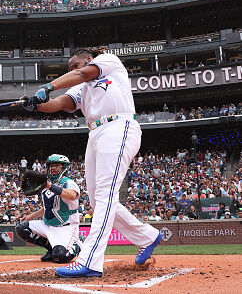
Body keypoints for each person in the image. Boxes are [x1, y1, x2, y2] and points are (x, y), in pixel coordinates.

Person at [22, 48, 161, 277]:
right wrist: (35, 104)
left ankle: (90, 261)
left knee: (106, 195)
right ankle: (147, 236)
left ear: (88, 59)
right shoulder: (81, 87)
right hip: (95, 133)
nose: (73, 70)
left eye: (75, 65)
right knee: (99, 202)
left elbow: (83, 74)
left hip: (118, 126)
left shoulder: (108, 62)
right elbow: (60, 103)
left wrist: (47, 87)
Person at [16, 154, 83, 263]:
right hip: (48, 224)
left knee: (60, 257)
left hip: (66, 226)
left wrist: (49, 186)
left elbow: (72, 195)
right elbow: (48, 208)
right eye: (51, 166)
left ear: (64, 168)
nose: (53, 168)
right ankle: (52, 249)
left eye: (57, 165)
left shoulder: (68, 183)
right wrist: (30, 217)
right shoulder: (46, 184)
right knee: (22, 228)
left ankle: (77, 245)